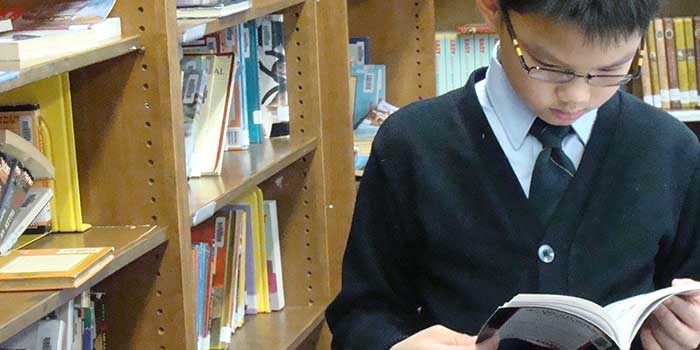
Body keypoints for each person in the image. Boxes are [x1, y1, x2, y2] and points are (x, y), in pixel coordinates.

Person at [325, 0, 700, 349]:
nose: (577, 97)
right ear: (492, 9)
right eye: (547, 66)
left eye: (610, 70)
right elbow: (362, 314)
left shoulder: (671, 150)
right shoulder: (413, 144)